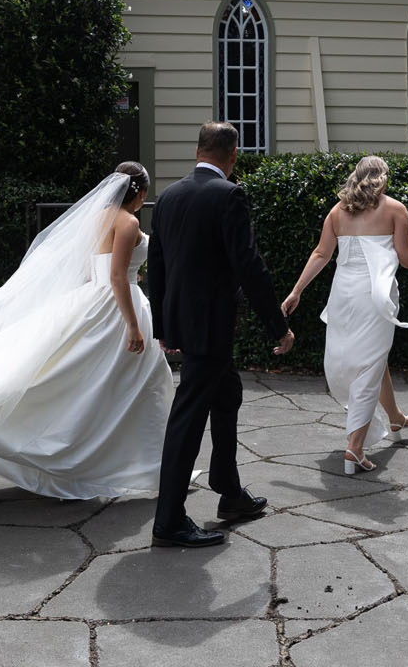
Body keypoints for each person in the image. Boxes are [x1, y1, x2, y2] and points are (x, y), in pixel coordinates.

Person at [0, 162, 173, 498]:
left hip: (94, 301)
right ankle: (139, 466)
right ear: (141, 193)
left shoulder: (96, 217)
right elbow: (118, 276)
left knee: (98, 384)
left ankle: (130, 465)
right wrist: (132, 325)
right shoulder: (129, 221)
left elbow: (95, 268)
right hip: (118, 308)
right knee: (135, 386)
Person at [145, 121, 295, 548]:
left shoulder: (169, 196)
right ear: (232, 157)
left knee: (227, 393)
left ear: (198, 151)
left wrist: (163, 325)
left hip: (186, 323)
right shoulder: (229, 194)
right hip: (211, 325)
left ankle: (229, 492)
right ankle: (169, 522)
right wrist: (279, 325)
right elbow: (248, 264)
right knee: (186, 421)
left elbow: (157, 266)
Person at [280, 156, 408, 474]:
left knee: (373, 357)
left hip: (343, 294)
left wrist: (296, 290)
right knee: (368, 364)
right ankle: (354, 448)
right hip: (374, 297)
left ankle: (395, 418)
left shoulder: (337, 211)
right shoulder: (395, 209)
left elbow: (321, 253)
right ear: (383, 178)